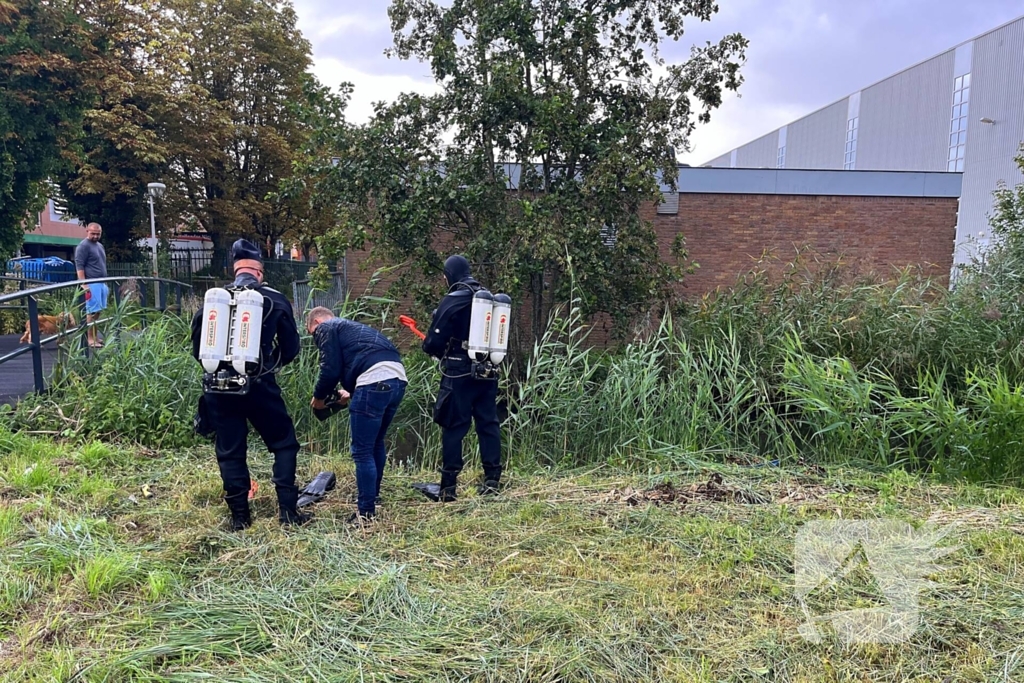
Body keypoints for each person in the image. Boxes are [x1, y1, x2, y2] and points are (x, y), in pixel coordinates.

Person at [190, 239, 306, 530]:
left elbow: (198, 348)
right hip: (258, 383)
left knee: (230, 450)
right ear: (259, 271)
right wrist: (268, 365)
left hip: (218, 386)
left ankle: (240, 518)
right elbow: (291, 348)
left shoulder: (214, 298)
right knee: (283, 444)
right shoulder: (274, 299)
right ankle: (289, 515)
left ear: (235, 269)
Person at [306, 307, 407, 523]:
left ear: (316, 321)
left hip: (373, 381)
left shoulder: (326, 327)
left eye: (311, 332)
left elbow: (330, 369)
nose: (315, 337)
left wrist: (319, 398)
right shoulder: (354, 329)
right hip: (397, 380)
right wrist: (350, 392)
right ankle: (373, 497)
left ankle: (365, 514)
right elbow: (364, 359)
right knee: (376, 443)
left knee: (362, 452)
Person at [419, 255, 502, 502]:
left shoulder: (455, 297)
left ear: (449, 275)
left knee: (454, 426)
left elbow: (434, 340)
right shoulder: (488, 297)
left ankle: (448, 487)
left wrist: (433, 349)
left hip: (458, 371)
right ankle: (492, 480)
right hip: (488, 368)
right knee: (488, 423)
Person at [75, 222, 108, 348]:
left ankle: (94, 336)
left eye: (98, 234)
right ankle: (89, 339)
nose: (95, 236)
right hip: (92, 283)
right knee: (91, 312)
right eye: (93, 233)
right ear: (87, 231)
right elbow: (79, 265)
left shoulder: (100, 246)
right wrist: (83, 283)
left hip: (101, 282)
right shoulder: (83, 246)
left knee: (98, 312)